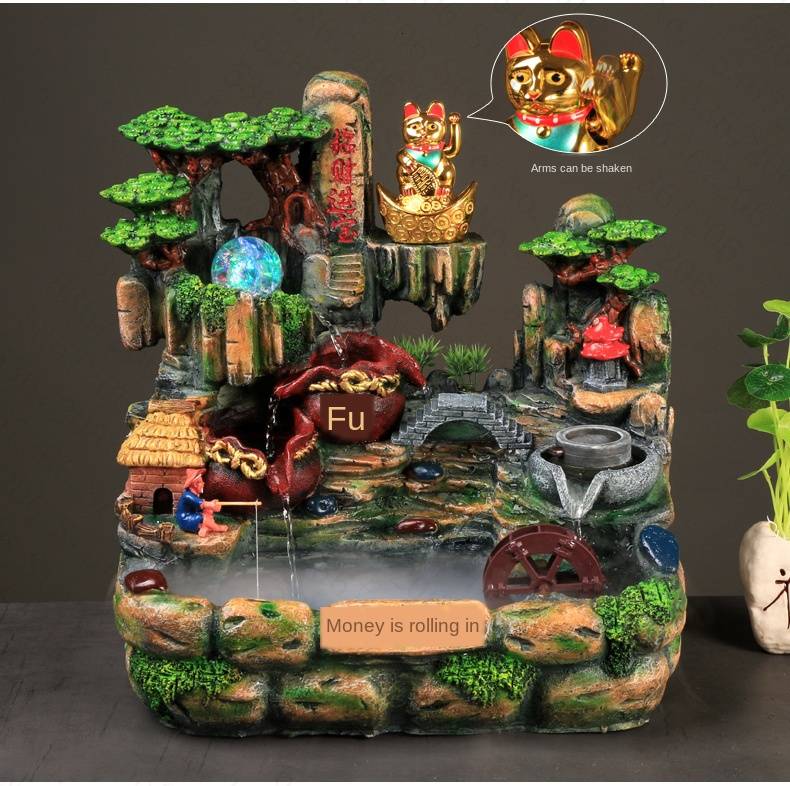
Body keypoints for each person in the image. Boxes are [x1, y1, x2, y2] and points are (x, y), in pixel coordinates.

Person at [175, 469, 228, 538]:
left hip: (192, 515)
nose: (203, 483)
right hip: (185, 520)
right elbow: (201, 503)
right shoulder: (187, 495)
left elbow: (202, 505)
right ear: (195, 484)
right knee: (204, 517)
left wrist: (212, 504)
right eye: (201, 482)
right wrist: (211, 504)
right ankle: (217, 528)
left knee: (208, 510)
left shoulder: (194, 494)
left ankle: (204, 528)